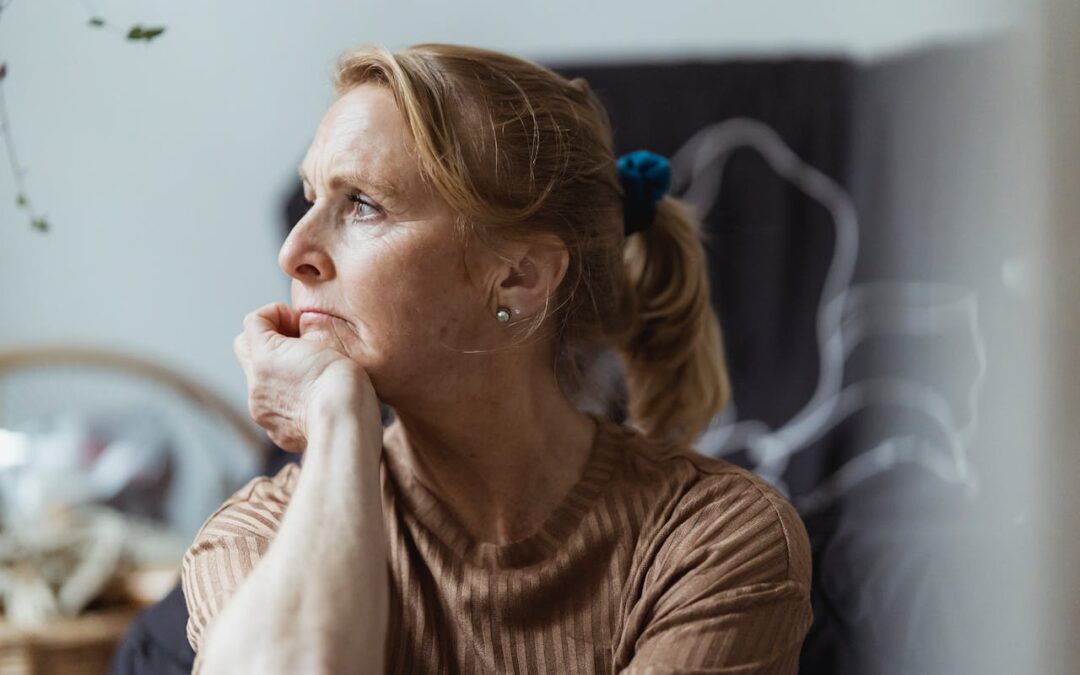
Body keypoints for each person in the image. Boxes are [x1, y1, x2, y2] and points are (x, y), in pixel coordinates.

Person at [180, 43, 813, 674]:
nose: (294, 252)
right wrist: (340, 417)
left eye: (362, 204)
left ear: (519, 277)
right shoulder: (255, 537)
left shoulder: (716, 541)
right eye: (311, 197)